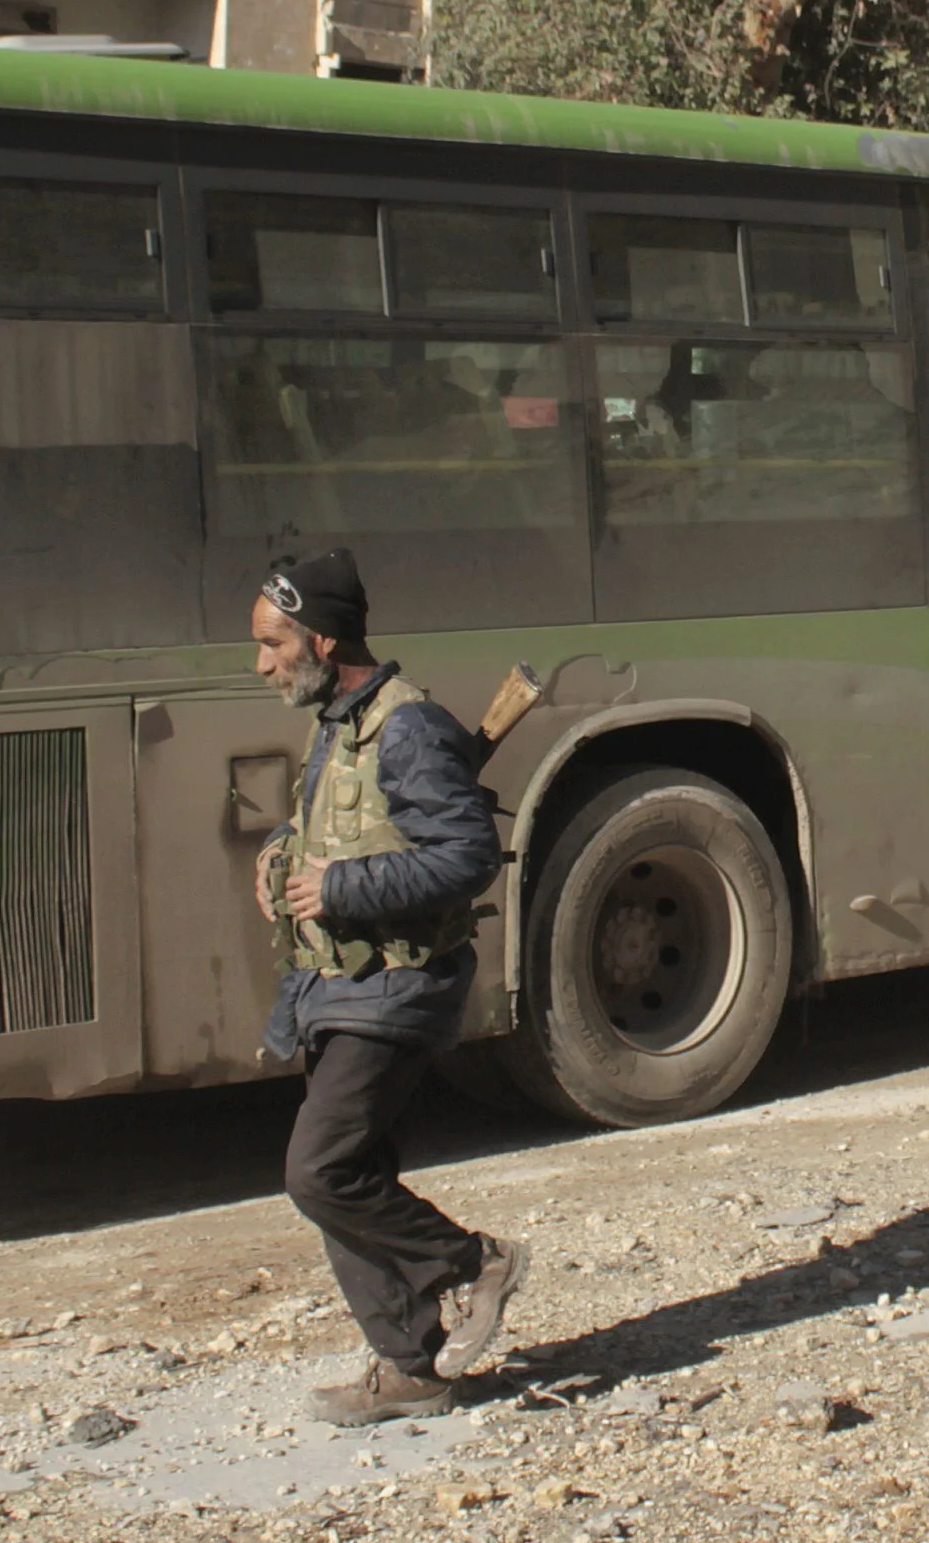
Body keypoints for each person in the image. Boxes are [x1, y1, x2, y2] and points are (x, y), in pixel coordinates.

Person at [250, 546, 528, 1426]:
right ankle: (410, 1366)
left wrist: (340, 888)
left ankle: (475, 1261)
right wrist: (280, 864)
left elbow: (467, 855)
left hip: (395, 989)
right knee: (352, 1173)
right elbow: (343, 830)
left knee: (320, 1171)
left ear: (323, 640)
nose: (261, 664)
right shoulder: (338, 719)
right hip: (331, 986)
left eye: (272, 643)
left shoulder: (408, 727)